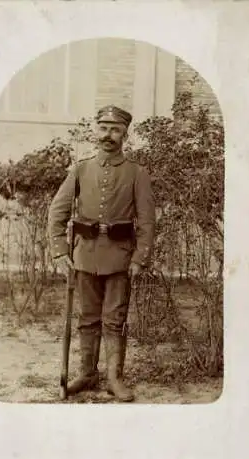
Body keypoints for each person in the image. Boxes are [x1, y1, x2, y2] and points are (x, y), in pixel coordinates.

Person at [48, 105, 156, 402]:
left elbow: (146, 221)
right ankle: (87, 373)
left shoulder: (137, 173)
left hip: (120, 258)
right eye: (103, 128)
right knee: (87, 318)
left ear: (125, 134)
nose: (108, 135)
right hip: (84, 256)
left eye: (115, 129)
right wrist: (59, 253)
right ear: (96, 131)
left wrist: (139, 258)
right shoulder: (81, 170)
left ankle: (114, 378)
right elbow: (57, 211)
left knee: (114, 318)